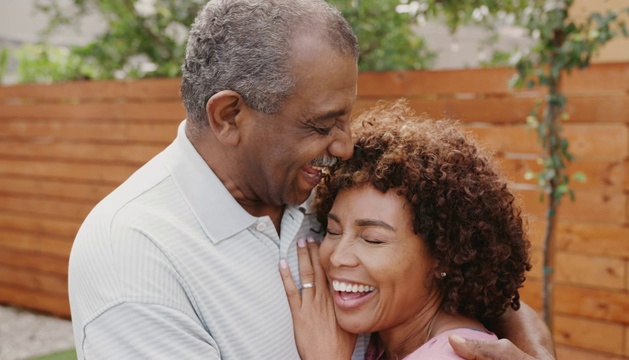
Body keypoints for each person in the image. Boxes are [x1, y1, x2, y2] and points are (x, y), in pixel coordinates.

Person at [67, 0, 554, 359]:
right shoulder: (133, 252)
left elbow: (458, 258)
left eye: (346, 119)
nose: (344, 147)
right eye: (322, 125)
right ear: (230, 116)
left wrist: (527, 337)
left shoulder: (325, 188)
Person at [280, 100, 541, 359]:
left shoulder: (455, 354)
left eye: (373, 239)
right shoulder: (389, 338)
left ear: (443, 256)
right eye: (333, 231)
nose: (337, 257)